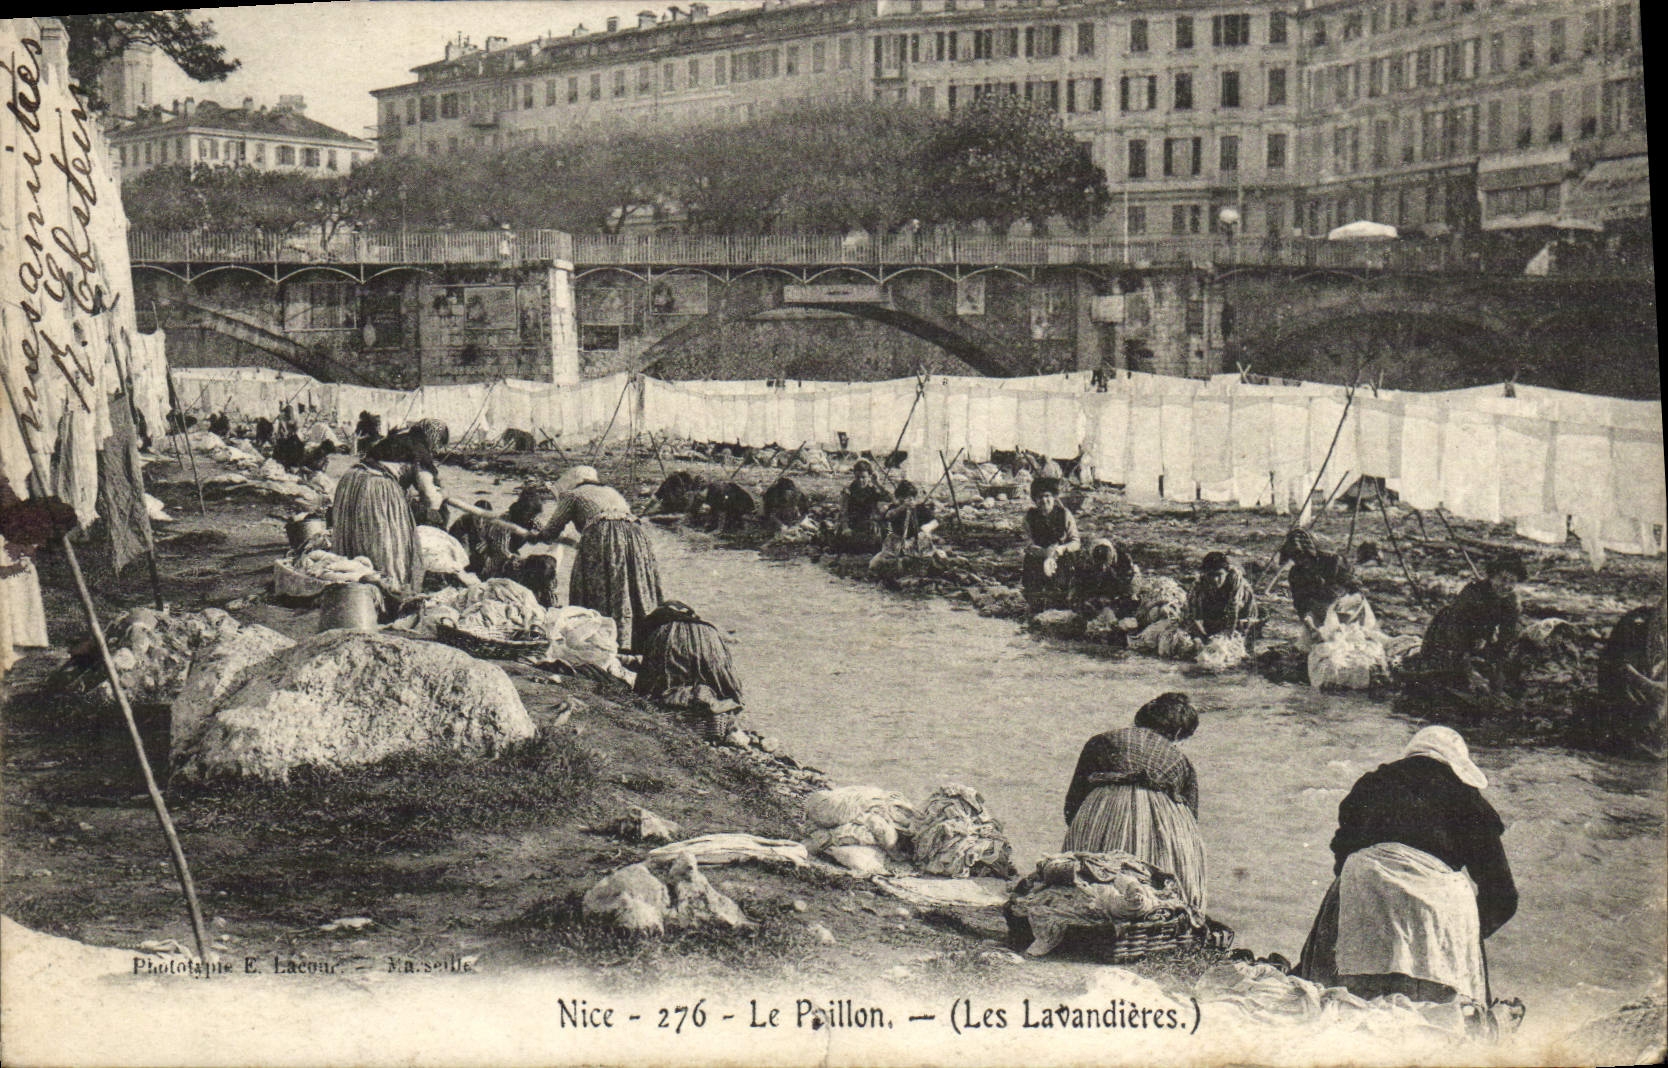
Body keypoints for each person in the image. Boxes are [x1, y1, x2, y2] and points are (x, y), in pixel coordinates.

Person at [1297, 726, 1517, 1005]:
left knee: (1351, 878)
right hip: (1435, 905)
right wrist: (1461, 937)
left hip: (1367, 888)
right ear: (1456, 762)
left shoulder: (1373, 782)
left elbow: (1343, 851)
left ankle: (1316, 984)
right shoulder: (1468, 799)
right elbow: (1503, 896)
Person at [1061, 692, 1206, 914]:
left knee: (1094, 882)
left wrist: (1081, 830)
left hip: (1102, 814)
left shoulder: (1103, 740)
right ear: (1178, 733)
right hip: (1163, 831)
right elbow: (1191, 815)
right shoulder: (1181, 761)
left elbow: (1073, 801)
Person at [535, 465, 664, 653]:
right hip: (636, 537)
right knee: (630, 586)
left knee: (602, 585)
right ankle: (637, 641)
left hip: (604, 537)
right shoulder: (610, 491)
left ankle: (601, 638)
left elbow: (552, 530)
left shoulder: (572, 496)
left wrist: (537, 533)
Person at [331, 425, 447, 598]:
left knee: (358, 537)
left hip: (351, 480)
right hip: (377, 487)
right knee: (388, 541)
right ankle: (388, 590)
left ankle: (351, 586)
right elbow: (430, 496)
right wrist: (439, 503)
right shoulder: (419, 451)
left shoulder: (394, 440)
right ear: (434, 439)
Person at [1417, 554, 1528, 694]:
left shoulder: (1511, 602)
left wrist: (1498, 669)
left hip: (1479, 639)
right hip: (1447, 633)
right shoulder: (1473, 592)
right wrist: (1467, 668)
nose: (1506, 586)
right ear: (1492, 576)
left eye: (1512, 581)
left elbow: (1506, 637)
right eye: (1502, 579)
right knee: (1444, 674)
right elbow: (1455, 628)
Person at [633, 600, 743, 705]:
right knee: (715, 675)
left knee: (669, 680)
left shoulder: (657, 625)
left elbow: (648, 664)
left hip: (671, 638)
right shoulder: (706, 627)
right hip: (708, 638)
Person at [1596, 595, 1666, 738]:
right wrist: (1650, 686)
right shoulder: (1636, 624)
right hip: (1623, 688)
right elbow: (1620, 666)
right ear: (1662, 604)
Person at [1279, 527, 1362, 642]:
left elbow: (1357, 591)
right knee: (1317, 644)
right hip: (1321, 614)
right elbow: (1301, 604)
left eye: (1303, 558)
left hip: (1348, 609)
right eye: (1295, 559)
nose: (1300, 562)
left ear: (1310, 552)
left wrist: (1348, 600)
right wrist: (1310, 624)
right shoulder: (1296, 573)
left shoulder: (1333, 562)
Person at [1022, 477, 1080, 610]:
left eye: (1047, 496)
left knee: (1059, 591)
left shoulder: (1065, 514)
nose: (1044, 500)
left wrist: (1060, 549)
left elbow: (1076, 542)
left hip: (1061, 557)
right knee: (1034, 590)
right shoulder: (1029, 517)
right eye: (1040, 497)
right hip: (1038, 557)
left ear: (1054, 497)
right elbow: (1027, 543)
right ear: (1035, 500)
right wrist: (1042, 552)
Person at [1183, 551, 1260, 645]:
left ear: (1227, 572)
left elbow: (1234, 609)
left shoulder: (1235, 581)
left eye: (1219, 575)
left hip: (1241, 613)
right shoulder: (1199, 583)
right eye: (1210, 575)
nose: (1215, 580)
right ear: (1205, 573)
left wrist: (1227, 636)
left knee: (1238, 635)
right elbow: (1192, 613)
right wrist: (1203, 637)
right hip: (1219, 612)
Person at [1072, 538, 1141, 620]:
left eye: (1106, 563)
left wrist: (1114, 599)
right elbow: (1077, 585)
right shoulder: (1084, 562)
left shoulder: (1124, 561)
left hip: (1120, 585)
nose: (1103, 567)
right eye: (1100, 564)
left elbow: (1128, 586)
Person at [840, 459, 892, 552]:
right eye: (857, 477)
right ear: (854, 476)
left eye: (864, 477)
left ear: (869, 477)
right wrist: (845, 528)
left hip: (870, 525)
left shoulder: (872, 490)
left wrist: (877, 483)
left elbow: (890, 498)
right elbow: (844, 511)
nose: (860, 480)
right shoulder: (849, 491)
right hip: (853, 524)